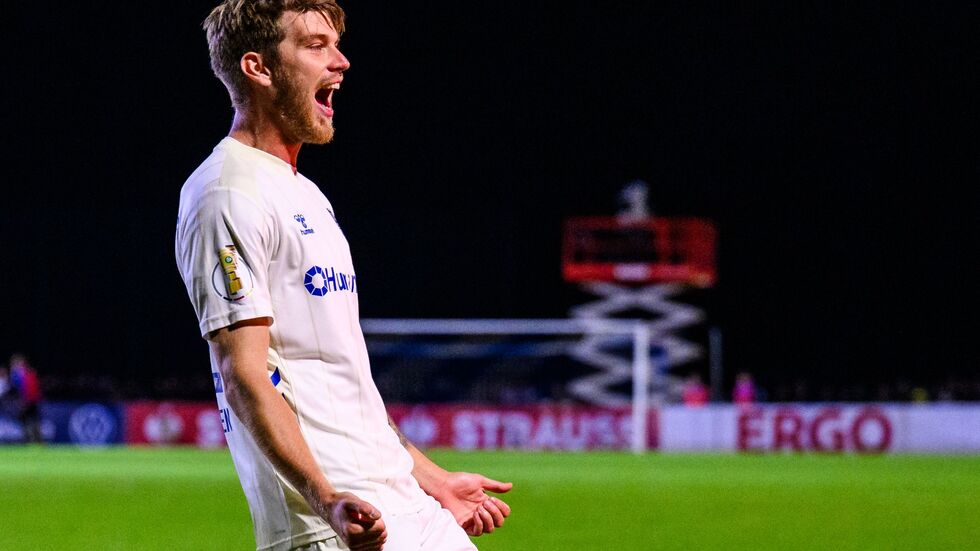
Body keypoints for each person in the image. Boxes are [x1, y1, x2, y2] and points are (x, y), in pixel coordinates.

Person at [175, 3, 511, 550]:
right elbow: (244, 376)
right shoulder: (226, 192)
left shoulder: (307, 194)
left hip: (406, 504)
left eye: (335, 43)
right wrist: (325, 499)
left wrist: (432, 479)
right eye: (314, 45)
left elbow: (341, 382)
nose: (341, 61)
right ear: (259, 69)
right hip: (337, 522)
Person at [8, 354, 43, 443]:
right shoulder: (16, 375)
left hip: (30, 401)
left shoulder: (28, 374)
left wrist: (26, 401)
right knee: (27, 421)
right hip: (25, 401)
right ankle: (31, 440)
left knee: (33, 421)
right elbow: (14, 389)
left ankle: (36, 440)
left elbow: (32, 389)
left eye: (17, 363)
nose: (15, 365)